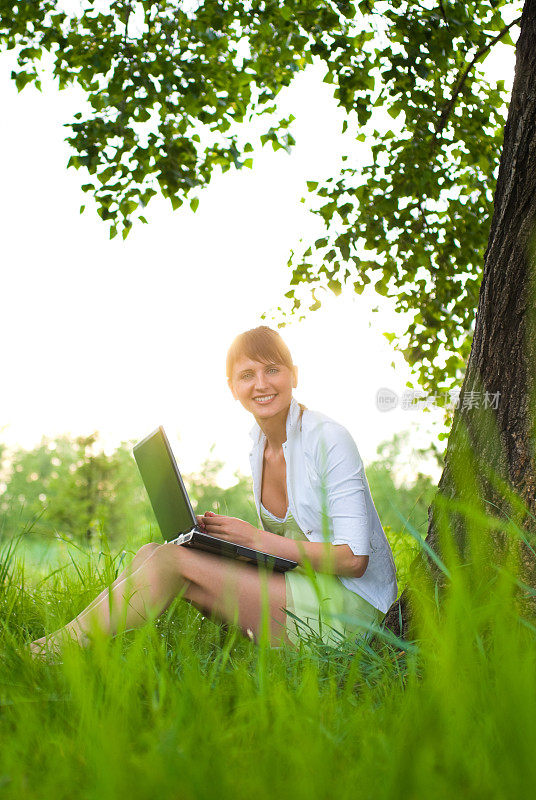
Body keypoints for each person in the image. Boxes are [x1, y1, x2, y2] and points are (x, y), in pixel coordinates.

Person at [30, 326, 397, 655]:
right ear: (232, 387)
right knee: (152, 552)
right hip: (303, 587)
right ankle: (69, 647)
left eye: (272, 369)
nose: (261, 384)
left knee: (171, 562)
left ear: (293, 375)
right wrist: (228, 546)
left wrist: (255, 540)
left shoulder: (328, 438)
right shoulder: (259, 445)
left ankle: (51, 652)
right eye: (247, 375)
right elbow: (288, 545)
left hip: (349, 608)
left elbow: (352, 559)